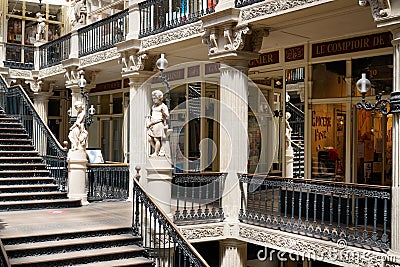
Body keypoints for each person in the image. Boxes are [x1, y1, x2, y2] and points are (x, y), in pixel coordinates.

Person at [147, 90, 169, 157]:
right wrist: (149, 119)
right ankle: (158, 150)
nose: (154, 100)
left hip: (158, 124)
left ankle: (156, 153)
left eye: (155, 98)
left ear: (160, 98)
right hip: (151, 124)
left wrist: (163, 113)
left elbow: (167, 116)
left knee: (157, 139)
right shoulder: (153, 106)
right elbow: (152, 114)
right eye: (153, 98)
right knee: (149, 139)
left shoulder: (163, 106)